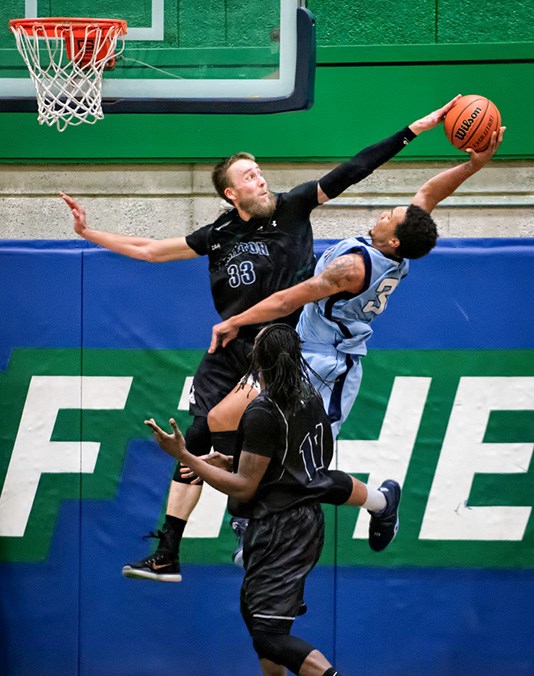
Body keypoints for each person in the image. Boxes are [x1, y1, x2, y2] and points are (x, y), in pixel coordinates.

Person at [60, 97, 459, 583]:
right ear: (231, 193)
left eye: (260, 171)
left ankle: (249, 521)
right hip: (227, 349)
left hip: (276, 349)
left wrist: (411, 130)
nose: (261, 178)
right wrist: (89, 232)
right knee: (198, 435)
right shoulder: (220, 231)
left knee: (273, 459)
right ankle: (168, 551)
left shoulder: (293, 208)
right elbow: (149, 251)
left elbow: (355, 167)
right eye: (249, 176)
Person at [206, 125, 505, 564]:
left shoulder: (351, 269)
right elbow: (428, 193)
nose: (386, 211)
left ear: (393, 239)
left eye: (390, 216)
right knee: (221, 417)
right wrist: (473, 164)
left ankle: (381, 504)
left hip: (328, 365)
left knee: (310, 476)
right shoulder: (395, 246)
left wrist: (234, 321)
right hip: (295, 352)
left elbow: (289, 299)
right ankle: (248, 514)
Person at [145, 323, 400, 676]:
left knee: (268, 635)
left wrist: (186, 456)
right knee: (259, 623)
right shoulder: (308, 397)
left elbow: (244, 487)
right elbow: (282, 461)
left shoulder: (264, 410)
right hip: (297, 520)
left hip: (281, 529)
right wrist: (221, 459)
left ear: (256, 361)